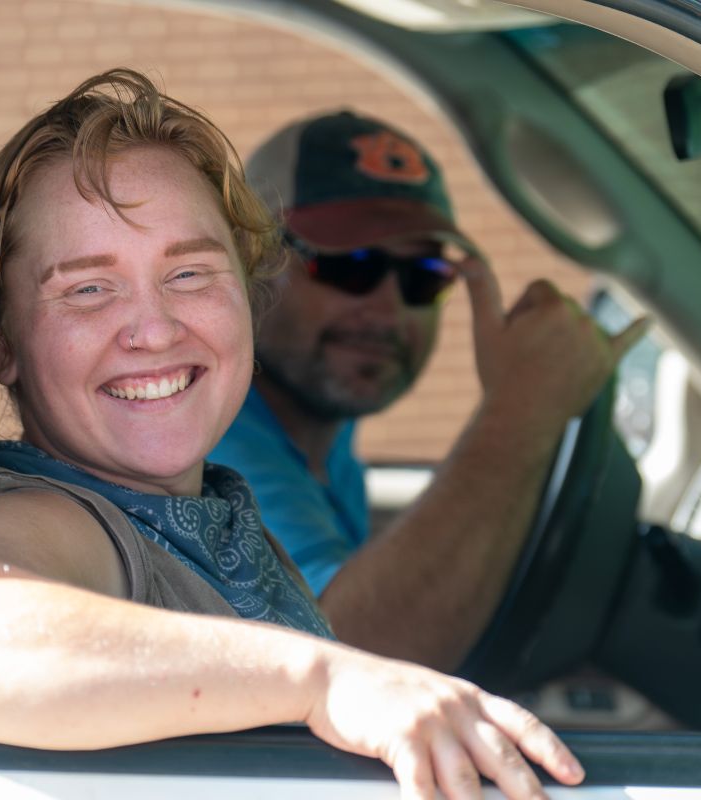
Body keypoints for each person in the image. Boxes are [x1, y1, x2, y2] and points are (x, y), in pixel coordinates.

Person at [0, 70, 585, 800]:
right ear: (4, 345)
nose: (155, 329)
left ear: (249, 295)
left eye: (191, 274)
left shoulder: (214, 509)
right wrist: (323, 678)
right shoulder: (49, 517)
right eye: (88, 289)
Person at [210, 111, 646, 671]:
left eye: (423, 276)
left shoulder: (319, 429)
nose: (389, 307)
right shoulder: (210, 440)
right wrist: (521, 410)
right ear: (251, 260)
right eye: (351, 266)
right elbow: (353, 667)